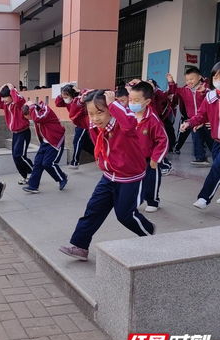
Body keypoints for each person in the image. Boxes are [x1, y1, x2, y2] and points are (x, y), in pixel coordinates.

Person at [59, 90, 155, 261]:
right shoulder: (94, 125)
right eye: (91, 113)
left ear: (111, 110)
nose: (95, 118)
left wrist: (114, 104)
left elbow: (129, 122)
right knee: (93, 210)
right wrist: (80, 102)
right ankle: (80, 246)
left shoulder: (123, 124)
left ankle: (150, 234)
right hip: (108, 176)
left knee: (124, 215)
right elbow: (75, 117)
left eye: (100, 112)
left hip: (129, 177)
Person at [180, 60, 220, 209]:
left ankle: (204, 198)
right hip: (217, 141)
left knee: (217, 167)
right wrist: (189, 123)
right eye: (216, 77)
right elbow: (201, 114)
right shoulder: (211, 97)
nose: (219, 81)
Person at [128, 81, 169, 213]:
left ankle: (153, 201)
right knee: (134, 182)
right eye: (130, 100)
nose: (132, 103)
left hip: (149, 159)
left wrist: (155, 158)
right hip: (133, 158)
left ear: (147, 102)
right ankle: (136, 200)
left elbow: (163, 140)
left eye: (136, 100)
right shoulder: (128, 116)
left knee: (151, 181)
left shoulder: (152, 119)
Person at [167, 68, 213, 165]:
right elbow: (174, 91)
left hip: (206, 120)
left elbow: (212, 102)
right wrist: (171, 82)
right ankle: (200, 158)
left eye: (191, 79)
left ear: (199, 77)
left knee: (211, 140)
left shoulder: (206, 88)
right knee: (196, 137)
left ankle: (218, 156)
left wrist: (204, 92)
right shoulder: (185, 90)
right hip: (193, 120)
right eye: (187, 80)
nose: (189, 82)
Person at [21, 101, 67, 193]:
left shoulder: (45, 110)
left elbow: (38, 118)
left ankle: (62, 178)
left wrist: (32, 107)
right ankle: (33, 186)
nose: (31, 119)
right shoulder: (37, 112)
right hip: (45, 142)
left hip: (55, 141)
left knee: (48, 163)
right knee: (38, 162)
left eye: (29, 117)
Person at [0, 83, 34, 184]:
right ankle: (25, 176)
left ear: (11, 95)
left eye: (5, 97)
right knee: (15, 156)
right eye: (2, 97)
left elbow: (19, 100)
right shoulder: (6, 105)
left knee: (20, 156)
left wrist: (12, 88)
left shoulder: (19, 104)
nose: (3, 100)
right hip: (15, 134)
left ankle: (33, 173)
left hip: (24, 133)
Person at [55, 84, 94, 169]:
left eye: (66, 95)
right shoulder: (67, 102)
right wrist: (61, 95)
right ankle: (99, 155)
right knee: (85, 144)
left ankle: (75, 162)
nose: (65, 98)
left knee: (77, 141)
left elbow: (86, 93)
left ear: (72, 94)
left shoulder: (79, 100)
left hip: (83, 124)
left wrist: (79, 91)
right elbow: (57, 103)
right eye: (63, 96)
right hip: (78, 124)